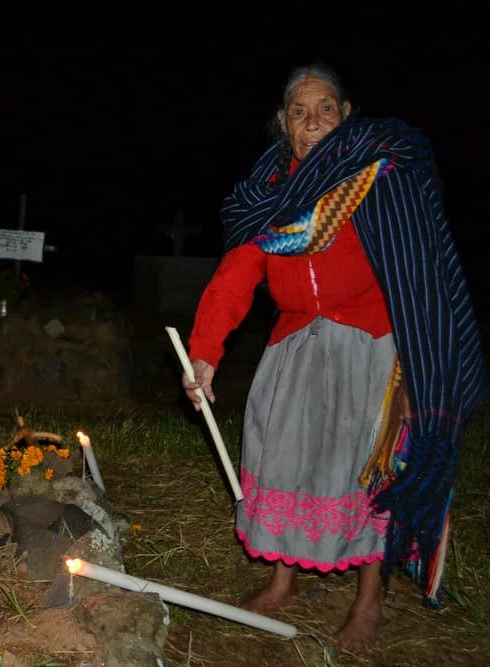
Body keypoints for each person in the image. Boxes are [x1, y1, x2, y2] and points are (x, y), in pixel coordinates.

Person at [180, 63, 487, 654]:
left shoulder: (380, 178)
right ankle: (282, 579)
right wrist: (205, 355)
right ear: (282, 122)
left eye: (325, 109)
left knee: (368, 470)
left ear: (347, 115)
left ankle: (369, 601)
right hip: (294, 344)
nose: (312, 121)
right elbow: (234, 277)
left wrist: (420, 364)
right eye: (299, 111)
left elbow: (420, 273)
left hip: (372, 346)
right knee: (278, 455)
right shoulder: (267, 195)